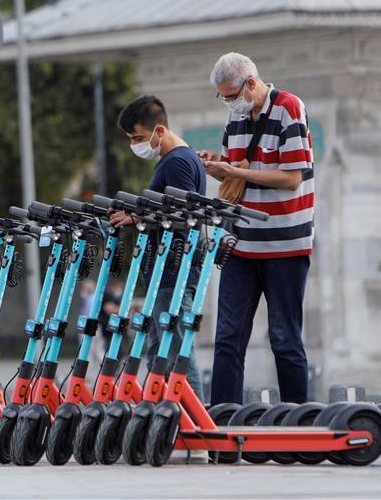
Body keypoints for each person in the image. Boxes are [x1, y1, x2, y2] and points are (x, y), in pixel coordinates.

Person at [199, 52, 313, 405]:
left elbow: (291, 178)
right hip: (240, 244)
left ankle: (299, 422)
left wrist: (237, 173)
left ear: (250, 84)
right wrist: (216, 166)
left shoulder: (289, 108)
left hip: (284, 244)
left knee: (284, 339)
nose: (228, 104)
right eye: (223, 98)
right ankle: (221, 423)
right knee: (228, 338)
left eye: (231, 97)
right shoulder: (234, 121)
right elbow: (233, 169)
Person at [110, 95, 205, 401]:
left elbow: (182, 213)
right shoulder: (175, 159)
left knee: (176, 350)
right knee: (160, 349)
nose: (135, 145)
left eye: (138, 137)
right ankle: (162, 415)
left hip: (173, 271)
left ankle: (196, 422)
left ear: (160, 130)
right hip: (164, 272)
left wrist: (137, 215)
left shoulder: (177, 161)